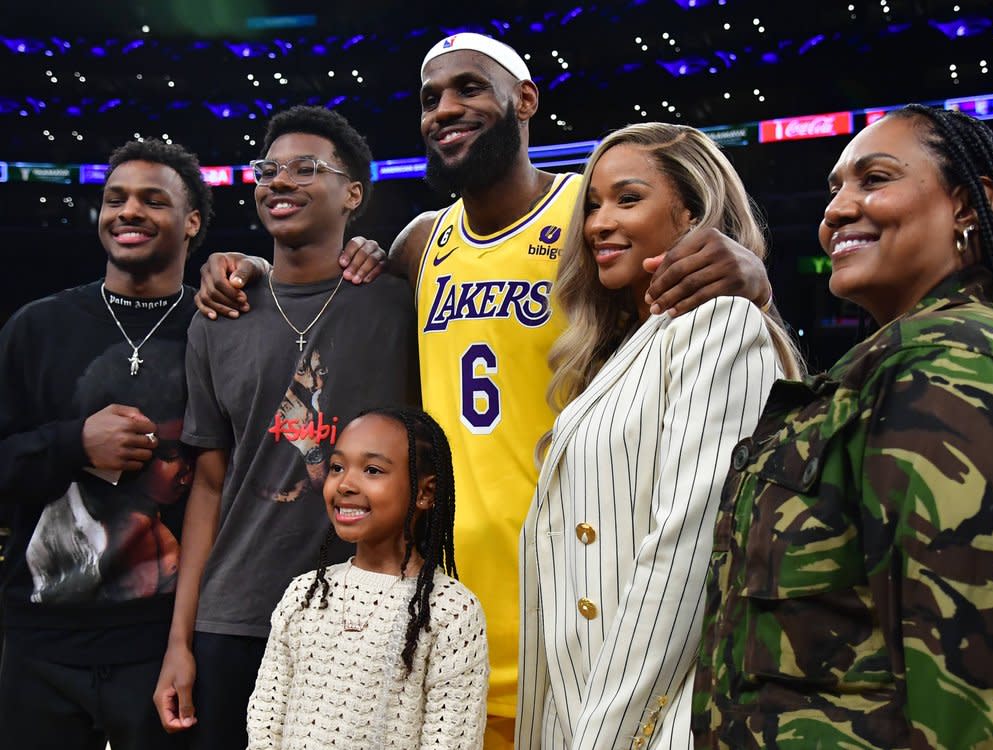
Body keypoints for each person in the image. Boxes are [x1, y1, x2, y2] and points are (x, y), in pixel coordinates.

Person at [194, 34, 775, 746]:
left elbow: (693, 294)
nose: (445, 109)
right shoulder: (419, 242)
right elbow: (313, 278)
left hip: (575, 598)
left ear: (524, 100)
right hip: (446, 615)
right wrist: (245, 263)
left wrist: (747, 270)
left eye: (469, 88)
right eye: (431, 98)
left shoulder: (586, 219)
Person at [693, 104, 993, 748]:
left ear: (971, 204)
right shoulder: (885, 365)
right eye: (835, 189)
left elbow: (968, 684)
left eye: (875, 179)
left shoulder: (947, 366)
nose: (837, 209)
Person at [516, 123, 802, 749]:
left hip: (656, 718)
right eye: (592, 204)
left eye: (627, 198)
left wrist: (606, 734)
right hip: (584, 704)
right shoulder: (629, 345)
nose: (597, 223)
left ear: (692, 212)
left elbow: (688, 548)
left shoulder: (720, 324)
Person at [152, 105, 419, 750]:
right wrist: (180, 642)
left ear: (353, 193)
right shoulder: (217, 317)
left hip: (364, 613)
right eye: (268, 170)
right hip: (235, 616)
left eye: (306, 168)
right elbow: (208, 488)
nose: (279, 181)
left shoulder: (398, 303)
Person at [0, 138, 212, 749]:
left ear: (192, 221)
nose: (128, 212)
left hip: (166, 642)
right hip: (42, 639)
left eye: (153, 200)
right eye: (114, 199)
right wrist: (73, 443)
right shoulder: (36, 328)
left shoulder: (219, 326)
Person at [246, 407, 489, 748]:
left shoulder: (452, 612)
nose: (345, 484)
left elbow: (451, 740)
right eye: (337, 467)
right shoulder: (303, 594)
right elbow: (265, 725)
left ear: (425, 493)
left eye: (372, 470)